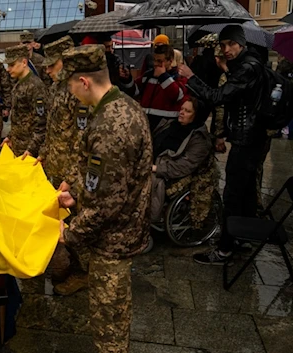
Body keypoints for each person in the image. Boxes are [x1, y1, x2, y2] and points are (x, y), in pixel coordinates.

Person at [57, 44, 152, 353]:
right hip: (117, 234)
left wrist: (69, 237)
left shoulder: (112, 124)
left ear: (84, 82)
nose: (71, 93)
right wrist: (75, 192)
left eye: (70, 85)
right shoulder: (119, 106)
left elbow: (106, 205)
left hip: (113, 240)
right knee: (113, 312)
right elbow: (102, 180)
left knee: (108, 321)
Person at [178, 25, 266, 265]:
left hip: (246, 140)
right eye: (223, 44)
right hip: (253, 138)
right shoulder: (251, 64)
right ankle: (242, 238)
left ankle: (225, 249)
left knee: (233, 194)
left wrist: (191, 77)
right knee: (247, 192)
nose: (226, 49)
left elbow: (218, 96)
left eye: (231, 44)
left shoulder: (247, 67)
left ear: (242, 44)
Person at [37, 36, 90, 296]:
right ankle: (67, 264)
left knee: (78, 220)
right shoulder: (56, 88)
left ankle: (84, 272)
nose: (47, 70)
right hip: (56, 168)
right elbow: (52, 128)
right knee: (62, 223)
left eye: (51, 65)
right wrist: (43, 155)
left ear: (66, 60)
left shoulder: (78, 90)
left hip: (74, 173)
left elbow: (83, 139)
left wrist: (71, 178)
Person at [150, 97, 213, 222]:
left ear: (197, 116)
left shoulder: (199, 139)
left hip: (171, 172)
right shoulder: (170, 124)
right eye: (182, 109)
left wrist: (157, 168)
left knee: (150, 182)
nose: (182, 112)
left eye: (188, 111)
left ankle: (149, 219)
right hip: (154, 162)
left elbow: (185, 165)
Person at [1, 44, 48, 158]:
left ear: (24, 63)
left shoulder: (35, 86)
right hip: (19, 146)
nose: (8, 69)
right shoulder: (19, 84)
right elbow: (19, 117)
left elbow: (41, 123)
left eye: (12, 65)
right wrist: (11, 136)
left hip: (29, 149)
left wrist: (32, 149)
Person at [135, 44, 187, 131]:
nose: (155, 64)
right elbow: (135, 90)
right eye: (154, 60)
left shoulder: (178, 77)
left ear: (170, 61)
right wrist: (126, 78)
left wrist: (163, 76)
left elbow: (178, 96)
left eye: (159, 61)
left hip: (166, 126)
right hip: (145, 124)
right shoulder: (148, 75)